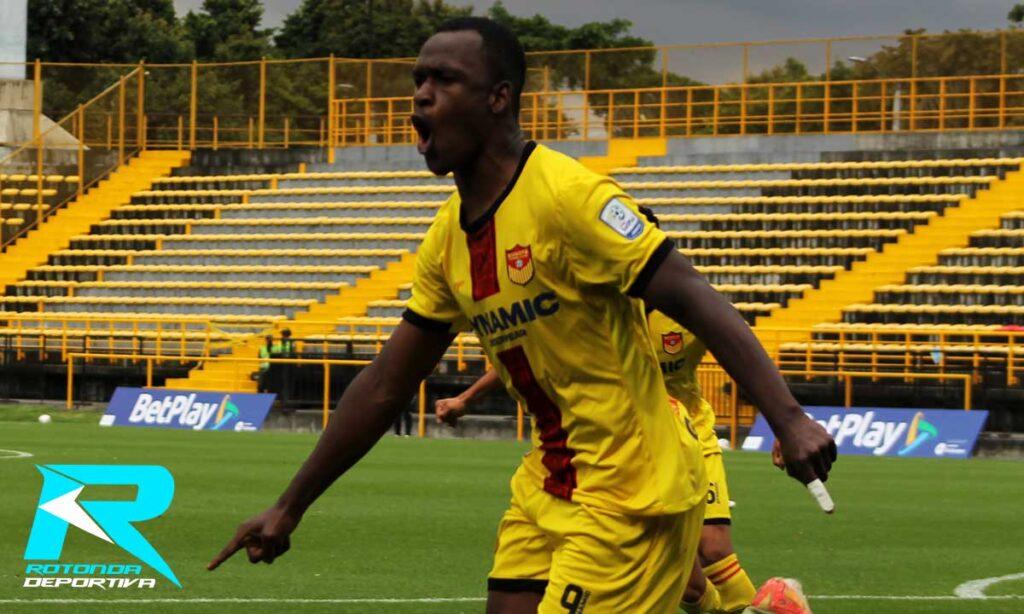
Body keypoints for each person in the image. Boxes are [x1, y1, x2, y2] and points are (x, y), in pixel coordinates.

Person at [208, 17, 835, 613]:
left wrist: (789, 419)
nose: (422, 97)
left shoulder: (568, 198)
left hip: (631, 485)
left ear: (499, 98)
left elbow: (694, 295)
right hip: (550, 476)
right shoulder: (446, 240)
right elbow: (384, 386)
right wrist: (291, 505)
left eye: (444, 80)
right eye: (417, 81)